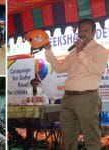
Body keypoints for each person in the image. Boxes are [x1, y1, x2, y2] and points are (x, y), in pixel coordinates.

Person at [45, 18, 107, 150]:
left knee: (91, 138)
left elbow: (97, 70)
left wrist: (81, 53)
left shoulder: (99, 50)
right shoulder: (74, 52)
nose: (82, 33)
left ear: (94, 33)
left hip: (87, 98)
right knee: (68, 138)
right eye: (80, 30)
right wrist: (49, 51)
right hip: (67, 99)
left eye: (86, 31)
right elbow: (60, 68)